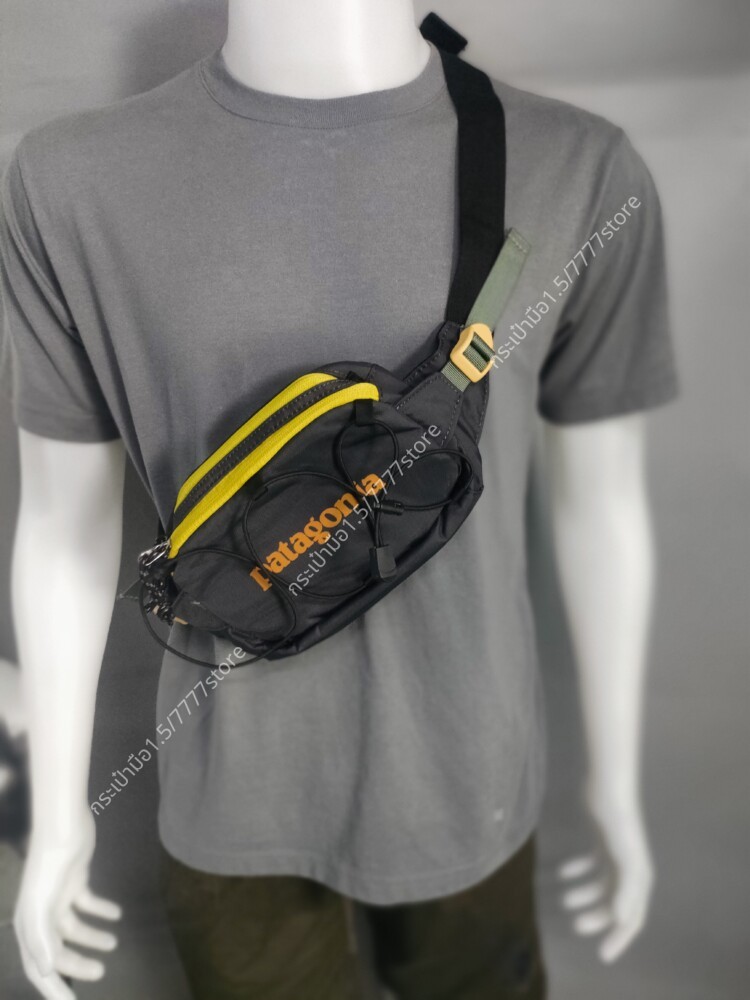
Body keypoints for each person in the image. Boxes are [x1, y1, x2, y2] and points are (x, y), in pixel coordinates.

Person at [1, 2, 679, 998]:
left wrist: (617, 788)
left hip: (473, 784)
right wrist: (62, 816)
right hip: (228, 797)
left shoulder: (580, 167)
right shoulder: (67, 181)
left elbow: (604, 504)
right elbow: (61, 526)